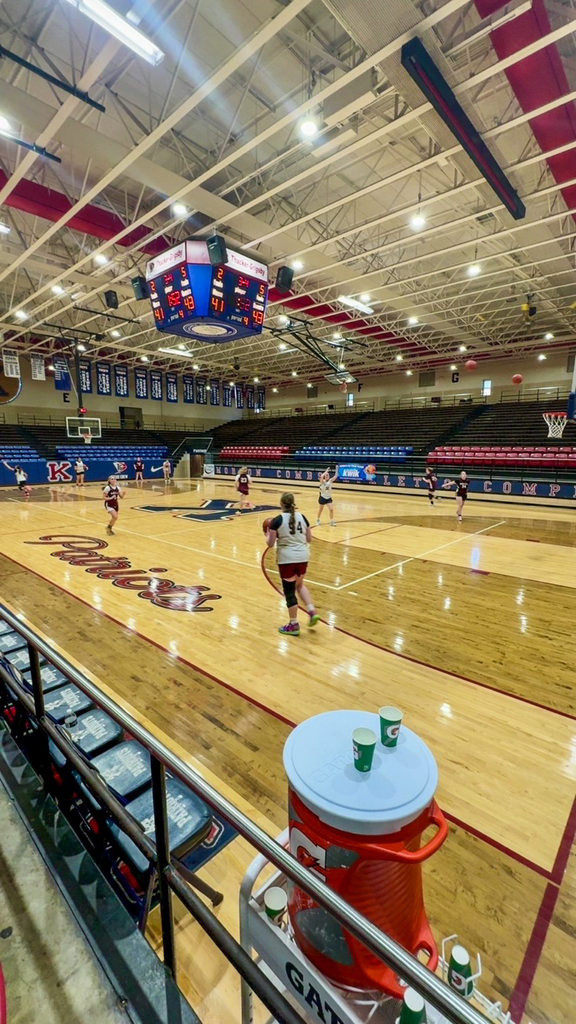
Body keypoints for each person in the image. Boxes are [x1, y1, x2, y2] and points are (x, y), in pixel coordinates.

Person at [265, 492, 319, 637]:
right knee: (300, 585)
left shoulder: (276, 521)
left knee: (290, 592)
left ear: (281, 504)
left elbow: (270, 544)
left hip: (287, 559)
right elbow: (309, 539)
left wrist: (266, 534)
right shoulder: (303, 517)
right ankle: (312, 610)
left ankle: (294, 624)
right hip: (303, 556)